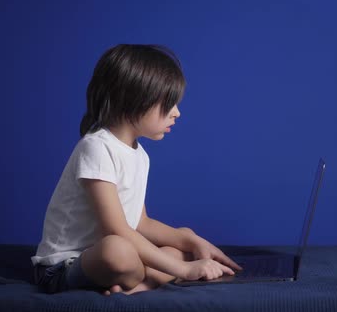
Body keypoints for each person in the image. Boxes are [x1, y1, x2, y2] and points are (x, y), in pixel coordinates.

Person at [31, 44, 242, 295]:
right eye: (169, 103)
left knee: (182, 245)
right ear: (132, 99)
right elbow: (117, 229)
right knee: (117, 249)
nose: (177, 113)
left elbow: (141, 223)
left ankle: (139, 285)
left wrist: (193, 240)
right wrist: (184, 271)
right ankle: (148, 279)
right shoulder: (97, 147)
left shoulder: (139, 155)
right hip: (65, 266)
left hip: (118, 252)